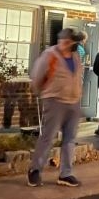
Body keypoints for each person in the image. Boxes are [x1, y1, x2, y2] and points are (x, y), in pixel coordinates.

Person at [27, 28, 84, 187]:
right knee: (48, 137)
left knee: (70, 139)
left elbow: (78, 77)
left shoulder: (75, 56)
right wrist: (43, 94)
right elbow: (37, 76)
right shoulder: (50, 55)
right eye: (73, 42)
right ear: (65, 41)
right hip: (55, 100)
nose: (75, 45)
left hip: (73, 101)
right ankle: (35, 170)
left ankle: (66, 174)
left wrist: (78, 94)